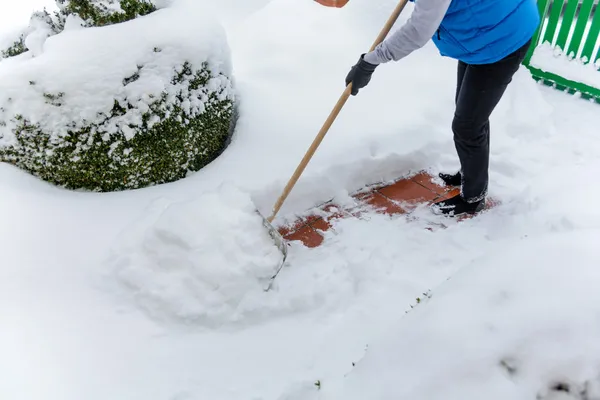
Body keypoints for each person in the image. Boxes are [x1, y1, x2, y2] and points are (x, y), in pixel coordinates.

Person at [345, 0, 540, 216]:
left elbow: (419, 30)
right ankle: (470, 174)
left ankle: (473, 197)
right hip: (484, 29)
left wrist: (369, 62)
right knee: (470, 117)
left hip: (502, 37)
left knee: (468, 125)